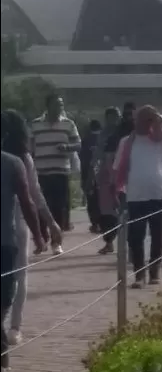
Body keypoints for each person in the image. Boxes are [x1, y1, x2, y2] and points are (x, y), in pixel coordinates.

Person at [1, 110, 61, 345]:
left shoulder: (20, 160)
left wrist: (49, 224)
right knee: (18, 276)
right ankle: (14, 327)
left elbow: (33, 197)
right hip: (17, 222)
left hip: (16, 219)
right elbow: (35, 197)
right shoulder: (20, 158)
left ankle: (11, 326)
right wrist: (49, 225)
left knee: (15, 275)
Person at [115, 105, 162, 289]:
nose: (144, 123)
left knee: (157, 234)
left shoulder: (161, 138)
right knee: (135, 236)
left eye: (148, 119)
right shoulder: (127, 141)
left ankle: (154, 272)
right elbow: (117, 170)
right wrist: (118, 194)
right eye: (141, 119)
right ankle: (139, 274)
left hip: (158, 193)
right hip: (135, 195)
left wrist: (161, 118)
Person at [2, 118, 45, 370]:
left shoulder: (15, 162)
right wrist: (40, 234)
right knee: (6, 293)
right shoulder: (13, 163)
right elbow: (28, 201)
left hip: (7, 239)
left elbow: (30, 200)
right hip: (5, 241)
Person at [30, 93, 81, 253]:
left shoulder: (69, 124)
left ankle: (56, 242)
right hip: (40, 172)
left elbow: (78, 144)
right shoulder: (35, 124)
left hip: (60, 172)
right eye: (56, 104)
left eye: (61, 105)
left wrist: (67, 148)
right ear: (48, 106)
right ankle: (42, 238)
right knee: (39, 206)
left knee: (59, 207)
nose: (60, 108)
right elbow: (29, 147)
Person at [94, 107, 122, 256]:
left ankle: (126, 243)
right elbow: (98, 155)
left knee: (122, 210)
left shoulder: (123, 133)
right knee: (106, 212)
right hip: (105, 175)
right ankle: (109, 242)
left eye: (116, 117)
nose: (113, 120)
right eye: (111, 117)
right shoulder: (102, 135)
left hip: (121, 175)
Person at [80, 119, 102, 233]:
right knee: (101, 199)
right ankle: (102, 223)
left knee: (91, 200)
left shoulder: (85, 140)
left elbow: (82, 158)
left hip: (87, 173)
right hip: (101, 174)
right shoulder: (103, 138)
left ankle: (94, 224)